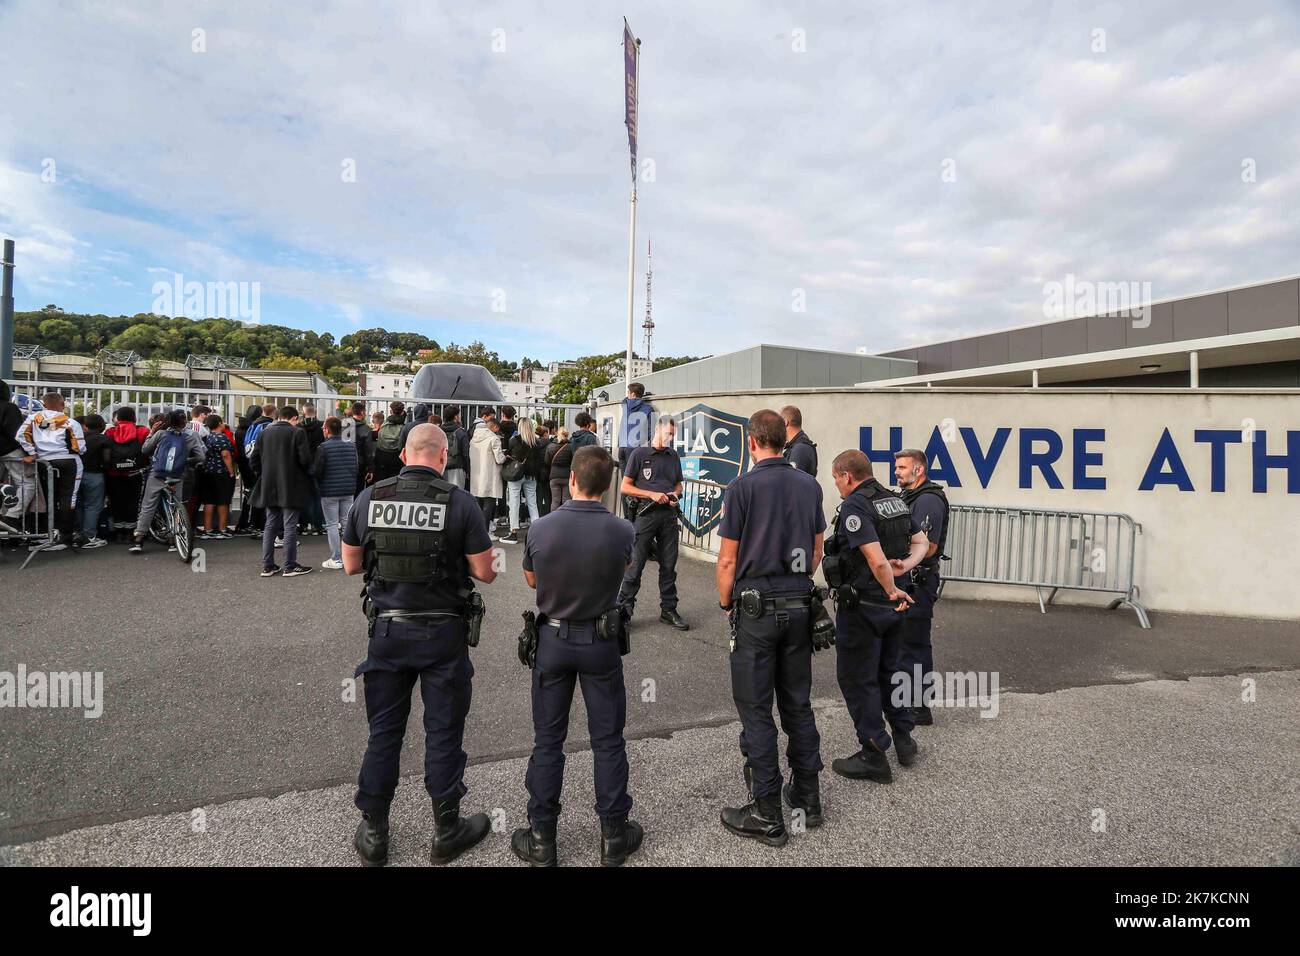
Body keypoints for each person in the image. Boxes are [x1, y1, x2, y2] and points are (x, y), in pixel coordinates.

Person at [342, 423, 498, 867]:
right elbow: (485, 572)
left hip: (388, 633)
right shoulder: (461, 503)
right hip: (443, 635)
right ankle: (447, 830)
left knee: (384, 732)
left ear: (405, 453)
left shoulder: (370, 498)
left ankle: (374, 833)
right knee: (444, 732)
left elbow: (351, 565)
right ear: (444, 454)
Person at [511, 445, 643, 867]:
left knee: (548, 739)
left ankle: (542, 837)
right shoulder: (624, 530)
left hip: (552, 640)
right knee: (607, 739)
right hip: (601, 642)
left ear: (571, 480)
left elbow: (532, 577)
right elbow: (623, 570)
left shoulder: (542, 527)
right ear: (606, 488)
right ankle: (614, 836)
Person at [714, 409, 827, 845]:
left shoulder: (742, 488)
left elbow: (727, 559)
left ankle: (766, 812)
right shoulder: (809, 485)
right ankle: (808, 798)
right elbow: (816, 550)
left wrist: (727, 602)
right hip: (799, 604)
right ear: (785, 439)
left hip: (757, 609)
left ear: (751, 441)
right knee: (797, 702)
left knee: (757, 708)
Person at [823, 450, 929, 783]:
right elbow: (922, 541)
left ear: (847, 476)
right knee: (890, 671)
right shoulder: (894, 500)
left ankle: (873, 753)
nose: (837, 486)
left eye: (836, 479)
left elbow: (876, 559)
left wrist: (889, 586)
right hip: (897, 607)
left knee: (857, 677)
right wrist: (906, 570)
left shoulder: (856, 504)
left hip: (866, 607)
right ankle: (903, 738)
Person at [894, 448, 950, 727]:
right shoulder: (909, 496)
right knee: (904, 644)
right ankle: (906, 702)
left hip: (919, 582)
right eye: (897, 467)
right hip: (909, 579)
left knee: (914, 645)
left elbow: (929, 547)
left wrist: (897, 556)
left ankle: (919, 707)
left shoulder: (928, 500)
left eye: (902, 467)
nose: (897, 471)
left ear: (919, 470)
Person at [617, 414, 688, 630]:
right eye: (669, 433)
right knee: (635, 566)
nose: (671, 438)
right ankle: (623, 612)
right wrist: (651, 494)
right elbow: (625, 487)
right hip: (645, 516)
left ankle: (668, 610)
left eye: (673, 435)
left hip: (668, 516)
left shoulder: (673, 455)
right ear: (658, 430)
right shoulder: (639, 453)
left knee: (669, 566)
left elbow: (679, 485)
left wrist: (675, 495)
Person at [15, 392, 86, 552]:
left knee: (48, 497)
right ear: (63, 404)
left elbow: (20, 436)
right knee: (69, 498)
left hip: (43, 462)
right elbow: (80, 448)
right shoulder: (70, 421)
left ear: (45, 404)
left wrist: (32, 452)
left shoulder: (33, 419)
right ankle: (65, 537)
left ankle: (49, 534)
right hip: (69, 461)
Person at [250, 406, 314, 578]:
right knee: (290, 525)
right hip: (291, 484)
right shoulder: (297, 433)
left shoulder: (264, 433)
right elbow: (305, 460)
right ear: (294, 418)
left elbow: (254, 460)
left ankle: (268, 565)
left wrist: (264, 474)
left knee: (270, 525)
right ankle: (289, 565)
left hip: (269, 485)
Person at [129, 410, 205, 554]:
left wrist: (152, 432)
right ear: (185, 421)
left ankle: (138, 540)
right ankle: (173, 540)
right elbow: (201, 457)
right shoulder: (192, 435)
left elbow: (145, 450)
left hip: (157, 474)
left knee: (148, 506)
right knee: (176, 506)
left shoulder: (161, 434)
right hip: (178, 475)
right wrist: (185, 461)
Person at [315, 416, 358, 570]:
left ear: (327, 429)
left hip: (329, 491)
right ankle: (350, 557)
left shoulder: (323, 448)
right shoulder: (351, 446)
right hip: (348, 490)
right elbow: (355, 468)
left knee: (332, 524)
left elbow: (318, 471)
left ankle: (336, 558)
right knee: (347, 523)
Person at [102, 407, 151, 539]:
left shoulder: (110, 431)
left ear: (117, 418)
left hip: (114, 473)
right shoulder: (142, 431)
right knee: (134, 501)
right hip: (135, 472)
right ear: (134, 417)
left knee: (116, 500)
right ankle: (131, 531)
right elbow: (148, 450)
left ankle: (118, 531)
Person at [0, 381, 35, 533]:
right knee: (27, 483)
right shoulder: (9, 408)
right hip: (9, 451)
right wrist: (29, 453)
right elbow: (16, 433)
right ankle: (11, 516)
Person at [197, 413, 237, 539]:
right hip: (221, 473)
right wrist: (231, 471)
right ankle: (222, 529)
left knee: (209, 501)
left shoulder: (208, 437)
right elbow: (225, 455)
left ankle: (207, 529)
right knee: (223, 501)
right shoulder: (221, 437)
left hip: (208, 472)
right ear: (220, 423)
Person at [501, 418, 540, 544]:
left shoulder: (514, 441)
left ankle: (513, 532)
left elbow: (509, 455)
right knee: (532, 503)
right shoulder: (536, 442)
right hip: (531, 475)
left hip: (516, 474)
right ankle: (537, 532)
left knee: (514, 502)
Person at [75, 414, 110, 548]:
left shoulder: (79, 438)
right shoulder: (104, 439)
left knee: (79, 505)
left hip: (77, 474)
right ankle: (89, 536)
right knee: (93, 505)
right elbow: (106, 459)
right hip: (95, 474)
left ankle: (78, 533)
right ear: (101, 425)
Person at [469, 417, 506, 534]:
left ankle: (477, 530)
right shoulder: (494, 438)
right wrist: (505, 456)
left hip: (477, 475)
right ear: (494, 427)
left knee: (479, 504)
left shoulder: (474, 438)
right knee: (489, 504)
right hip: (490, 475)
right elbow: (499, 459)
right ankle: (485, 532)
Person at [298, 404, 327, 536]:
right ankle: (318, 525)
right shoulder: (321, 426)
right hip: (317, 464)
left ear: (303, 413)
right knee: (317, 496)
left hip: (302, 465)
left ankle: (303, 524)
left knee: (303, 495)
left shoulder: (298, 427)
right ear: (314, 412)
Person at [617, 382, 655, 468]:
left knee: (625, 478)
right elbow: (651, 430)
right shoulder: (648, 408)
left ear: (633, 394)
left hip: (622, 446)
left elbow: (624, 399)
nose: (627, 395)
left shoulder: (625, 405)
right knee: (635, 476)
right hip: (635, 448)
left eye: (628, 392)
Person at [372, 401, 406, 483]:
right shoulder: (405, 427)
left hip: (382, 457)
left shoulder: (384, 425)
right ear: (402, 412)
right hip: (397, 458)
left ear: (391, 411)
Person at [781, 405, 818, 477]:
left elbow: (792, 481)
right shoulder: (796, 446)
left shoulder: (800, 449)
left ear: (785, 422)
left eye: (778, 422)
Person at [440, 406, 470, 490]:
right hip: (457, 467)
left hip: (441, 467)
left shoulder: (439, 431)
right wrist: (467, 470)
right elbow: (465, 453)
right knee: (457, 494)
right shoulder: (460, 432)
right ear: (456, 417)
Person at [349, 402, 375, 494]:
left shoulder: (344, 426)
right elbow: (368, 452)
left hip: (344, 462)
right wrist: (370, 469)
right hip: (359, 464)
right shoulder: (365, 429)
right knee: (358, 491)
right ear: (362, 412)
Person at [546, 427, 570, 510]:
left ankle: (553, 520)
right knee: (566, 500)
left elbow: (546, 461)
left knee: (555, 501)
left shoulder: (550, 446)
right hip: (566, 476)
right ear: (567, 435)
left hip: (554, 476)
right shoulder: (570, 447)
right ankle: (566, 521)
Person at [532, 423, 552, 516]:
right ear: (545, 434)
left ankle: (538, 514)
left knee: (538, 494)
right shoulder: (550, 444)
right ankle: (548, 513)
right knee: (548, 494)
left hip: (537, 471)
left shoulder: (534, 443)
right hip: (547, 470)